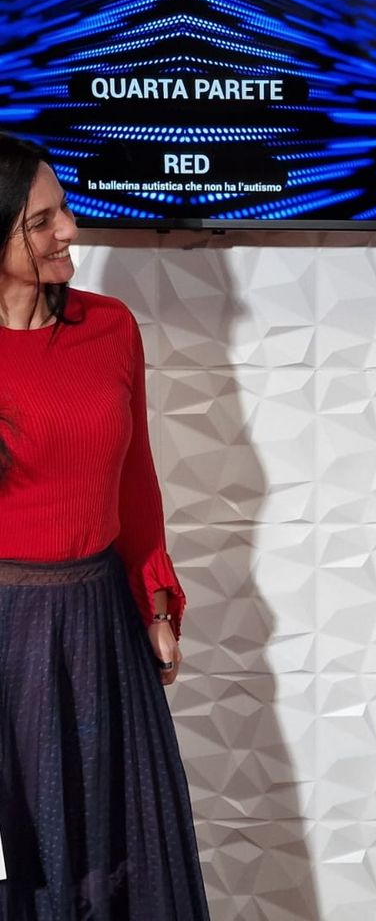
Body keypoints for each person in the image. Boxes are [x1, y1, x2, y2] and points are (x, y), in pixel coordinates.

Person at [0, 133, 210, 920]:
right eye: (41, 221)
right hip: (6, 632)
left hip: (100, 619)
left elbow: (136, 481)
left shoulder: (110, 327)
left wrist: (155, 603)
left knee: (123, 849)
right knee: (27, 856)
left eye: (63, 210)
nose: (69, 230)